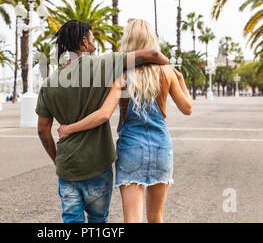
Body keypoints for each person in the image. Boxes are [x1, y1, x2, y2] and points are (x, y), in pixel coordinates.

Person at [57, 19, 192, 223]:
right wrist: (180, 79)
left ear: (127, 42)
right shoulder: (167, 73)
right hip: (162, 148)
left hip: (131, 149)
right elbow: (187, 109)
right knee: (156, 217)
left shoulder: (122, 75)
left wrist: (69, 129)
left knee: (132, 219)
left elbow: (103, 114)